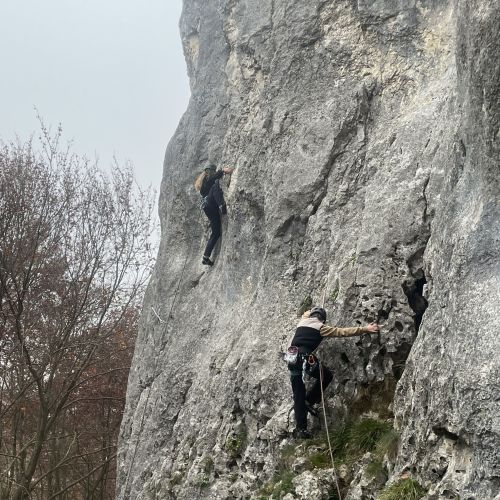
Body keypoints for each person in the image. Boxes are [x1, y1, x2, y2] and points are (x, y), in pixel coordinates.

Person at [287, 306, 379, 439]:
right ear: (323, 320)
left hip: (292, 359)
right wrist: (365, 329)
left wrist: (312, 309)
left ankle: (301, 429)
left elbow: (306, 313)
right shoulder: (321, 327)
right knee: (326, 376)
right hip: (305, 358)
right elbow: (342, 332)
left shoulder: (302, 321)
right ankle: (310, 400)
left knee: (298, 395)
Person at [194, 164, 234, 266]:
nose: (213, 172)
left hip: (208, 209)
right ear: (208, 171)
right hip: (212, 203)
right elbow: (214, 178)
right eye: (212, 170)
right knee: (216, 184)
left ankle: (206, 257)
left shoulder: (203, 182)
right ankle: (222, 205)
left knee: (215, 233)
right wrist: (223, 171)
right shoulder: (207, 179)